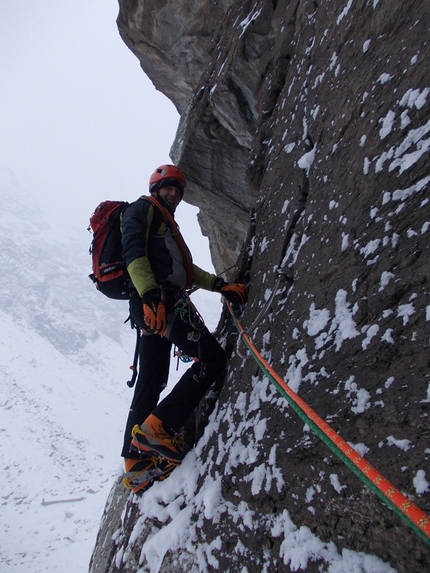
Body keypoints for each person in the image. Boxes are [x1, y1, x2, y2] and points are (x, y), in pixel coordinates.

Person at [120, 164, 248, 494]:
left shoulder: (163, 221)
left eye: (178, 189)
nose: (174, 193)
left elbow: (187, 272)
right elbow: (133, 252)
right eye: (168, 187)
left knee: (152, 380)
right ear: (155, 188)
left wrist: (219, 284)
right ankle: (156, 430)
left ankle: (135, 463)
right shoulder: (144, 210)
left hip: (152, 303)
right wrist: (152, 297)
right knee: (212, 360)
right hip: (159, 301)